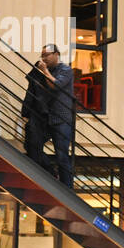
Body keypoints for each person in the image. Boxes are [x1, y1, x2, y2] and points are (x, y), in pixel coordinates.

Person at [34, 43, 74, 187]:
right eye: (42, 55)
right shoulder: (45, 70)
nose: (44, 58)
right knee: (33, 144)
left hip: (62, 118)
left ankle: (67, 188)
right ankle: (52, 174)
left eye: (46, 55)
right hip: (46, 117)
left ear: (56, 54)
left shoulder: (66, 70)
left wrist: (44, 71)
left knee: (61, 155)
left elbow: (56, 85)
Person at [21, 58, 51, 171]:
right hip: (41, 115)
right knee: (34, 147)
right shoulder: (44, 80)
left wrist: (25, 112)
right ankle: (48, 172)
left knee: (33, 146)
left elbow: (30, 96)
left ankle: (47, 171)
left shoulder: (37, 79)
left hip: (38, 116)